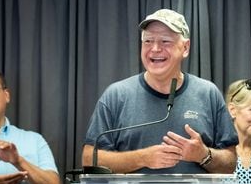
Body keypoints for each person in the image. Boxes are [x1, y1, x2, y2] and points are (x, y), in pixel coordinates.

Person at [82, 9, 237, 174]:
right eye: (148, 41)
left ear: (185, 47)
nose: (155, 48)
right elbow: (88, 159)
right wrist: (143, 158)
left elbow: (231, 164)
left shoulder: (208, 94)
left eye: (165, 41)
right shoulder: (116, 95)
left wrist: (203, 155)